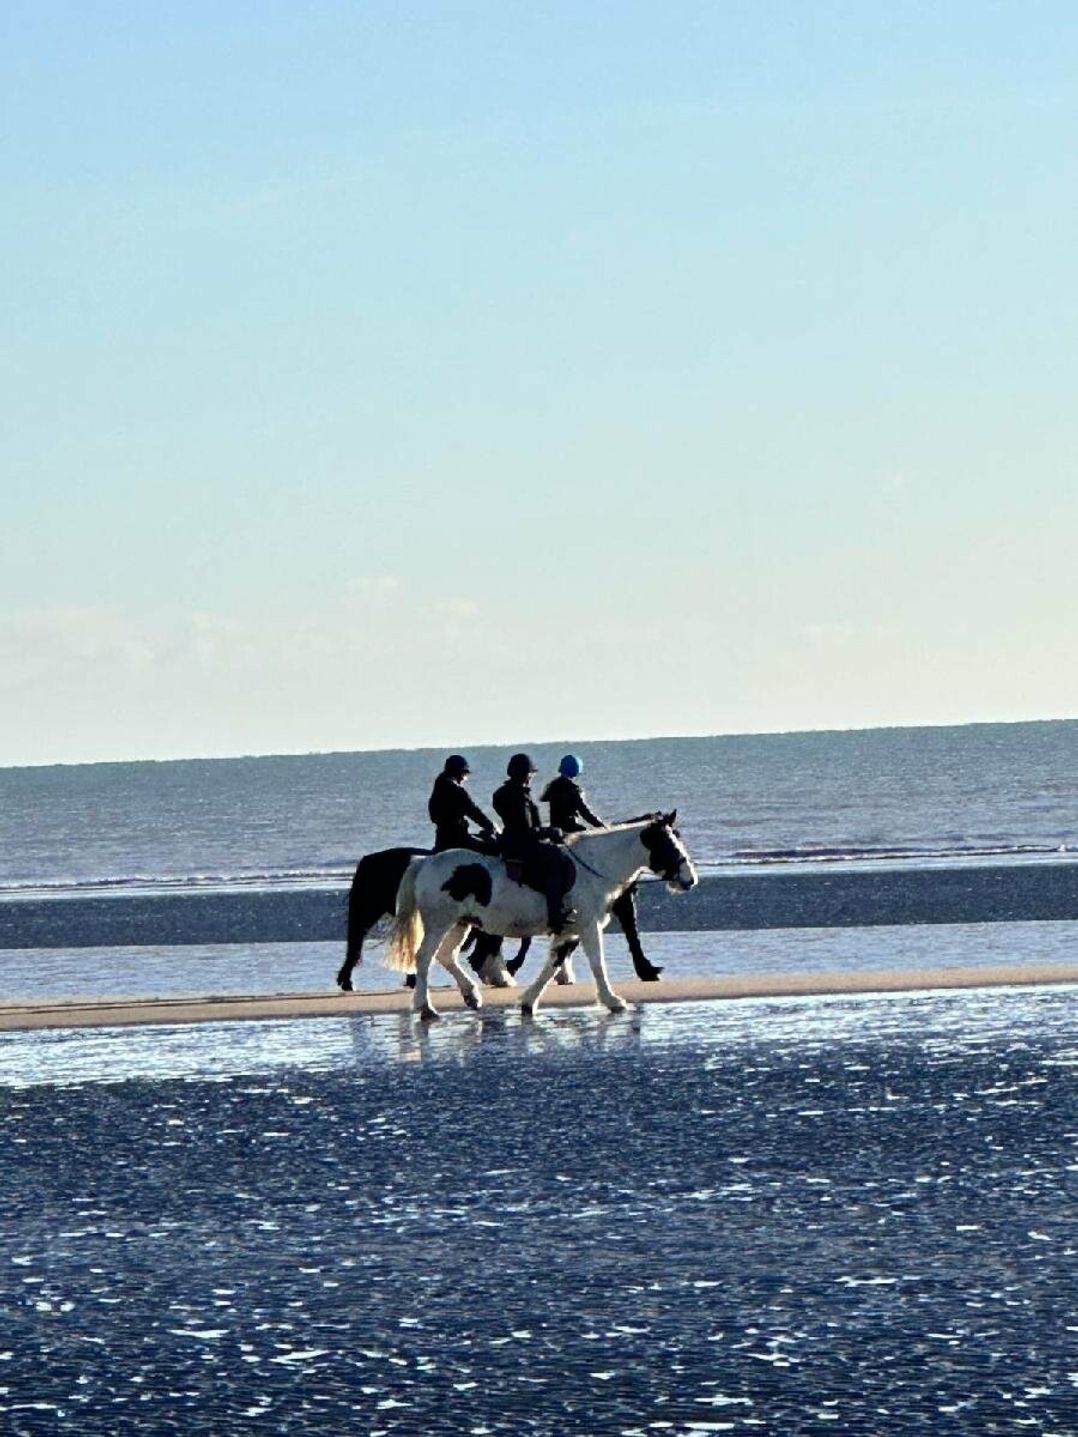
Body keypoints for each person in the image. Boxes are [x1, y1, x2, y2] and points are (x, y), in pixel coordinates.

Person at [541, 753, 663, 982]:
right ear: (576, 771)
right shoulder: (573, 790)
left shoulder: (554, 788)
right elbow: (587, 815)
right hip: (574, 835)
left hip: (560, 836)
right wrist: (607, 831)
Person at [492, 752, 575, 933]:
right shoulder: (519, 796)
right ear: (524, 773)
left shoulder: (503, 793)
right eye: (530, 773)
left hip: (512, 841)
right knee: (557, 858)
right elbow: (526, 830)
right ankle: (555, 915)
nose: (531, 777)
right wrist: (550, 831)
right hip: (522, 846)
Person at [427, 754, 497, 853]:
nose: (465, 779)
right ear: (459, 773)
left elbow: (433, 815)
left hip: (441, 838)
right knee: (494, 849)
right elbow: (473, 811)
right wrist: (490, 826)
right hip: (458, 840)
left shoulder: (439, 786)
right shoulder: (456, 790)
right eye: (465, 775)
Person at [540, 753, 605, 833]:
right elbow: (585, 813)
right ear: (576, 770)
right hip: (571, 829)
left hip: (555, 830)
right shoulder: (575, 790)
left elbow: (543, 798)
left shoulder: (552, 786)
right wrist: (602, 826)